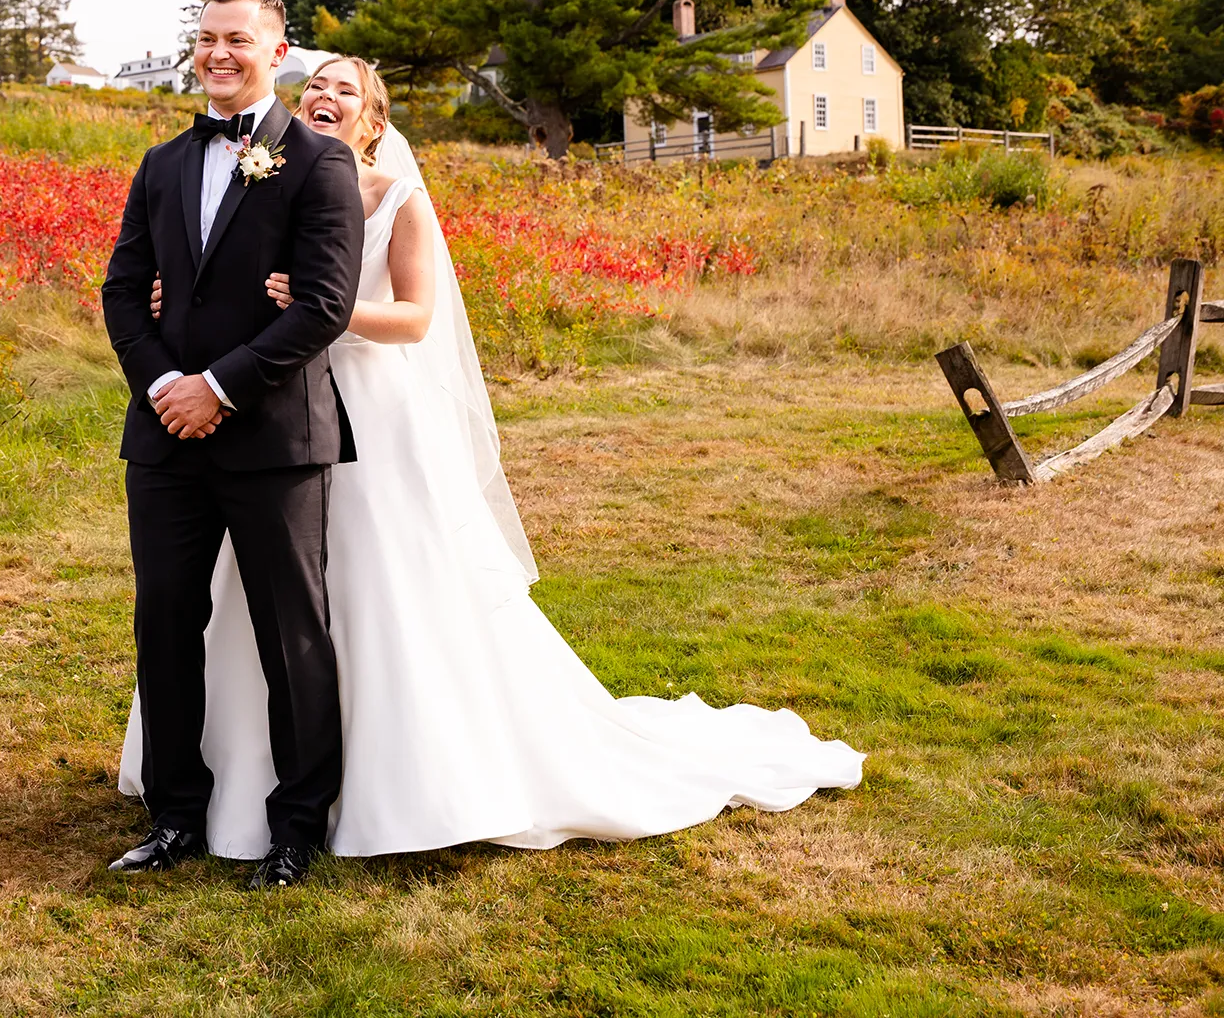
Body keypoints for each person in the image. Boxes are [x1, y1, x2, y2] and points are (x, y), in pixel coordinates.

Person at [120, 55, 865, 863]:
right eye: (316, 89)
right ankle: (229, 776)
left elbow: (413, 318)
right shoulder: (263, 176)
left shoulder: (398, 198)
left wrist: (322, 313)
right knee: (247, 602)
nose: (325, 99)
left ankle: (398, 777)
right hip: (263, 407)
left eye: (345, 91)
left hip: (367, 407)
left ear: (374, 121)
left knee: (373, 592)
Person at [98, 0, 363, 890]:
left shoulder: (320, 164)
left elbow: (325, 307)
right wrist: (168, 384)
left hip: (275, 438)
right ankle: (175, 815)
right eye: (206, 38)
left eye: (237, 39)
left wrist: (220, 387)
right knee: (165, 623)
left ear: (277, 47)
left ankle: (297, 827)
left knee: (293, 631)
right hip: (165, 438)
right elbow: (123, 292)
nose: (219, 52)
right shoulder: (161, 163)